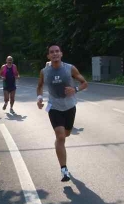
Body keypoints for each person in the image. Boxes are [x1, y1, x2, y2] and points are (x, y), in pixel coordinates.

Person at [37, 44, 88, 182]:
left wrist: (75, 89)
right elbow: (40, 85)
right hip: (54, 107)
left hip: (70, 106)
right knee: (60, 137)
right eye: (51, 52)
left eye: (57, 51)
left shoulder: (69, 68)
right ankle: (64, 169)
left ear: (61, 54)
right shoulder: (44, 71)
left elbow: (84, 83)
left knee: (66, 133)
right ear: (48, 56)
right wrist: (40, 98)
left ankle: (61, 141)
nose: (54, 54)